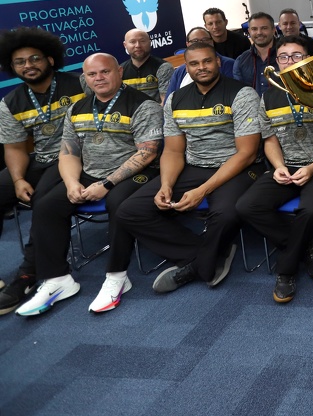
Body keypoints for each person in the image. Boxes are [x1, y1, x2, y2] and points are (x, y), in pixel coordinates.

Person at [14, 53, 162, 316]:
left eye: (104, 72)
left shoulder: (143, 105)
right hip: (89, 174)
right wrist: (71, 183)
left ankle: (117, 277)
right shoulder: (78, 108)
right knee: (46, 205)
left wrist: (107, 183)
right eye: (92, 75)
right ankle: (58, 280)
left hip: (134, 174)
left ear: (118, 71)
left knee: (119, 203)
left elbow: (147, 152)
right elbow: (69, 152)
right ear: (85, 78)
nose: (99, 78)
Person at [116, 42, 263, 292]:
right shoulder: (175, 99)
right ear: (186, 68)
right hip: (194, 165)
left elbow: (247, 154)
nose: (201, 67)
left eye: (207, 61)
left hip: (235, 166)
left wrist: (203, 190)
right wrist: (166, 184)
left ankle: (198, 267)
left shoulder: (242, 94)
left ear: (218, 61)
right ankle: (208, 253)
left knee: (226, 214)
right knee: (130, 210)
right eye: (194, 63)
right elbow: (173, 150)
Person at [234, 36, 313, 304]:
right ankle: (305, 247)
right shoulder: (269, 96)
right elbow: (270, 140)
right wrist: (278, 167)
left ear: (309, 58)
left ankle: (286, 270)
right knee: (246, 206)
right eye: (284, 57)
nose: (290, 61)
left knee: (311, 210)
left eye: (297, 55)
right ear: (276, 62)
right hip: (286, 166)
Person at [0, 28, 86, 315]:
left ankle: (28, 274)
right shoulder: (11, 102)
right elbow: (14, 147)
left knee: (42, 201)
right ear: (11, 67)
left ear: (50, 59)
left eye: (34, 58)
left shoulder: (79, 85)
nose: (28, 65)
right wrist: (17, 178)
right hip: (42, 159)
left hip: (78, 158)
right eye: (20, 62)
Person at [164, 27, 236, 97]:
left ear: (212, 42)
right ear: (187, 44)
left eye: (205, 40)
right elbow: (170, 101)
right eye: (195, 41)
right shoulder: (180, 71)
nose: (200, 43)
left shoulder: (229, 64)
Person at [120, 28, 173, 102]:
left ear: (150, 43)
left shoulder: (163, 67)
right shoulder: (120, 70)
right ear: (125, 45)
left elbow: (166, 101)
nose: (138, 45)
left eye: (142, 41)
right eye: (132, 42)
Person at [235, 11, 278, 96]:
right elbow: (239, 92)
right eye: (254, 29)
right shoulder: (241, 60)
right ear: (249, 31)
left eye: (264, 28)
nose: (259, 32)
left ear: (273, 30)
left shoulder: (286, 57)